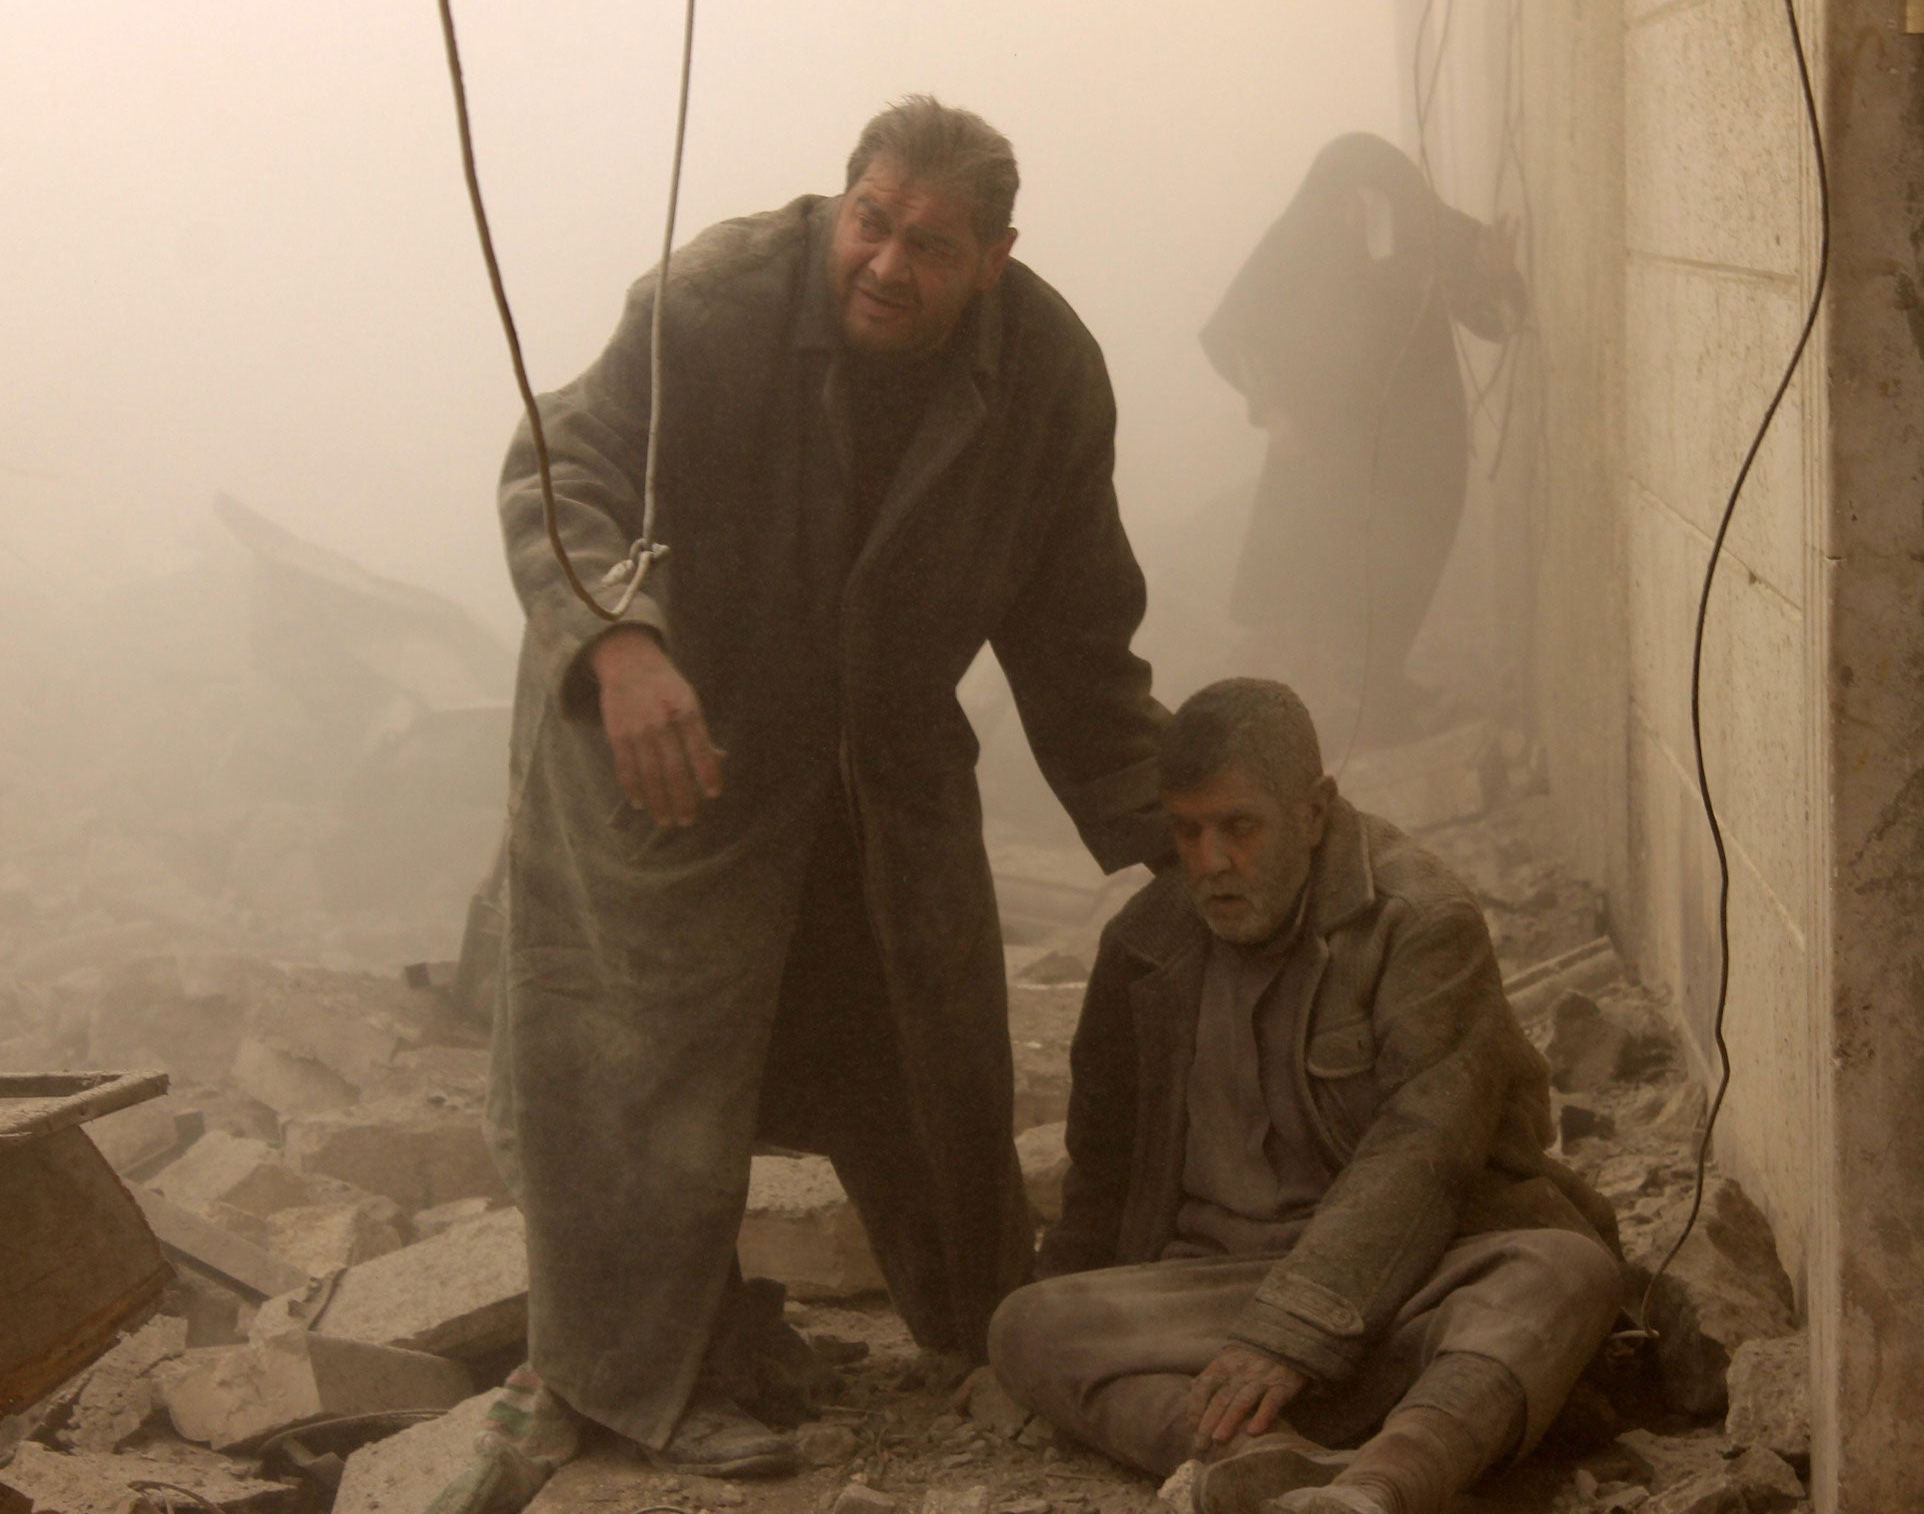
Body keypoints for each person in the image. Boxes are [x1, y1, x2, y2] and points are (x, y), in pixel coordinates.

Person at [464, 97, 1170, 1504]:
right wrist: (619, 638)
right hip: (666, 744)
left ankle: (982, 1331)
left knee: (928, 1042)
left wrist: (1182, 827)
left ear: (996, 260)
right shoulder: (717, 301)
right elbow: (560, 465)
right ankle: (624, 1383)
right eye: (872, 221)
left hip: (875, 764)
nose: (890, 264)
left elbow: (1078, 631)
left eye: (934, 242)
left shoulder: (1044, 373)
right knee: (638, 1068)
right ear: (838, 200)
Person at [988, 679, 1621, 1514]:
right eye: (1188, 831)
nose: (1210, 862)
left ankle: (1383, 1484)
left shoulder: (1419, 921)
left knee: (1562, 1269)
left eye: (1239, 828)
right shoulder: (1145, 944)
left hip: (1408, 1276)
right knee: (1029, 1325)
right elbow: (1101, 1170)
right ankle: (1271, 1469)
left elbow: (1424, 1156)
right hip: (1214, 1293)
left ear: (1314, 811)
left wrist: (1289, 1335)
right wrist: (1023, 1352)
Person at [1201, 135, 1524, 749]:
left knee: (1408, 566)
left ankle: (1383, 693)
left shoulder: (1428, 233)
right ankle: (1358, 706)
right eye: (1339, 199)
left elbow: (1497, 319)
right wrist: (1273, 409)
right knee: (1341, 572)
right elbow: (1233, 329)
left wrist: (1498, 276)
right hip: (1331, 449)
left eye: (1365, 198)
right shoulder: (1298, 241)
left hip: (1423, 447)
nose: (1351, 212)